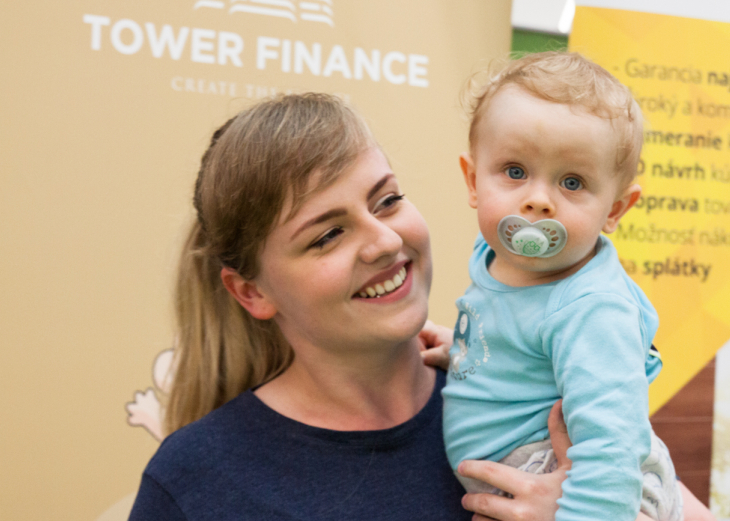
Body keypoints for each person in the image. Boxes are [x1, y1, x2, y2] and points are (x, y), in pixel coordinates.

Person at [128, 92, 714, 521]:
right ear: (251, 291)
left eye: (386, 201)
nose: (384, 240)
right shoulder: (196, 482)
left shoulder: (527, 389)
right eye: (327, 235)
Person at [441, 51, 683, 521]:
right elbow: (519, 337)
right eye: (514, 171)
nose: (537, 200)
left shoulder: (591, 309)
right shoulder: (493, 256)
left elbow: (612, 449)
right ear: (474, 180)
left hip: (588, 490)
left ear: (614, 210)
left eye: (571, 181)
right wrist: (461, 347)